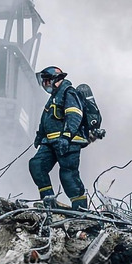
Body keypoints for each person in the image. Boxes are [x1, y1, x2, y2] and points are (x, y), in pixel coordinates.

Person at [29, 66, 90, 210]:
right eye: (43, 82)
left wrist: (66, 137)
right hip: (50, 142)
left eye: (46, 81)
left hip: (68, 142)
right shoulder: (53, 98)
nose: (45, 85)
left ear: (56, 80)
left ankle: (81, 210)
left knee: (68, 176)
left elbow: (74, 115)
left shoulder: (69, 93)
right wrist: (39, 136)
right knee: (37, 165)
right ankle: (48, 203)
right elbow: (46, 119)